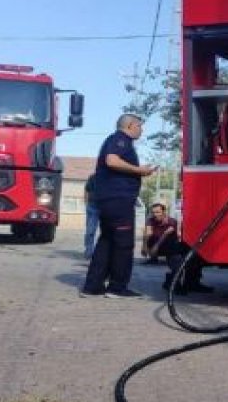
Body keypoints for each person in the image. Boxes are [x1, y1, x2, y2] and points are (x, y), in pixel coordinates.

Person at [81, 114, 157, 299]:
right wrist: (140, 170)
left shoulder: (118, 141)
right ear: (130, 125)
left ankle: (93, 286)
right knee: (124, 243)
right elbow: (111, 160)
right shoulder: (119, 139)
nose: (141, 130)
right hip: (118, 200)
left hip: (109, 200)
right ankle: (117, 288)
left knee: (107, 241)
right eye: (139, 126)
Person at [143, 202, 212, 294]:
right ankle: (173, 285)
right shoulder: (150, 220)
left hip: (167, 244)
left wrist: (156, 246)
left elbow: (165, 235)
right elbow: (147, 234)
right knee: (178, 263)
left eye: (158, 212)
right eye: (153, 212)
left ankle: (187, 283)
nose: (155, 215)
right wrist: (145, 248)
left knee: (193, 257)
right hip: (162, 247)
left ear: (164, 212)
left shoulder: (172, 221)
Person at [82, 175, 98, 260]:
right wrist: (86, 203)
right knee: (90, 231)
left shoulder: (110, 177)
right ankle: (89, 251)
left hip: (106, 207)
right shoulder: (92, 178)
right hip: (92, 207)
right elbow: (86, 189)